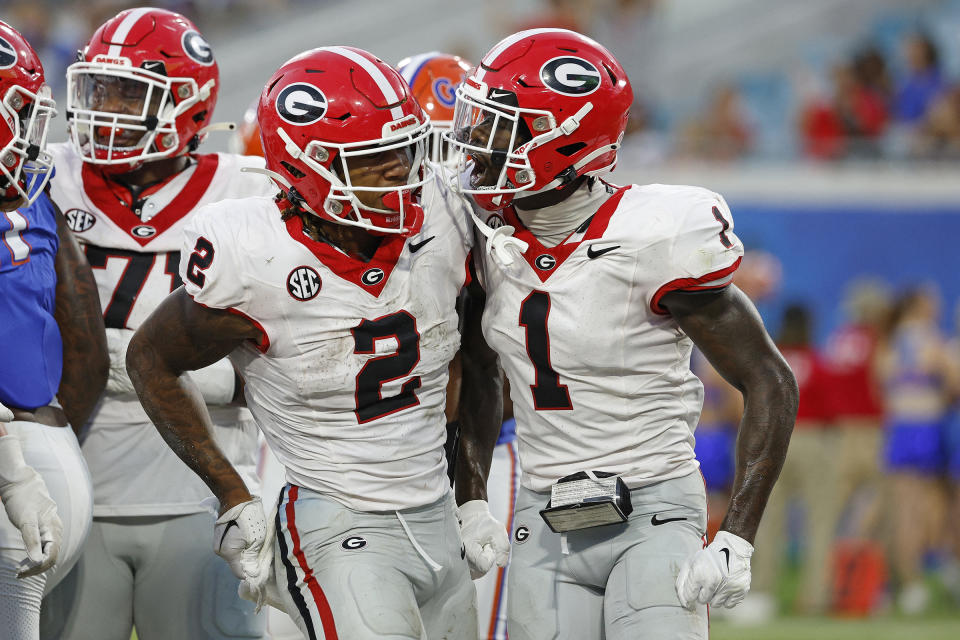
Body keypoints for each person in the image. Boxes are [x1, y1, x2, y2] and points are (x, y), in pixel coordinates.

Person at [126, 46, 506, 640]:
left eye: (405, 154)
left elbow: (482, 360)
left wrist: (473, 494)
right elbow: (149, 358)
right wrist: (232, 493)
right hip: (337, 518)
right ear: (309, 169)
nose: (403, 177)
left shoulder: (445, 213)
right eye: (374, 162)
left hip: (436, 512)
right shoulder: (254, 255)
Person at [446, 28, 798, 639]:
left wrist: (737, 535)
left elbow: (770, 380)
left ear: (565, 142)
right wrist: (473, 495)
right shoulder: (485, 238)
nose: (479, 141)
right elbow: (481, 371)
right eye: (480, 120)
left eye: (501, 126)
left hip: (652, 509)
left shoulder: (655, 234)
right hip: (542, 513)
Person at [39, 9, 275, 640]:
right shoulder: (43, 175)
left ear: (190, 107)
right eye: (96, 90)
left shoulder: (248, 192)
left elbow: (298, 347)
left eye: (125, 95)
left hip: (204, 490)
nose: (102, 111)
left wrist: (170, 371)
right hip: (70, 488)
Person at [0, 19, 108, 638]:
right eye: (15, 111)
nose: (27, 131)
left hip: (29, 463)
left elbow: (82, 331)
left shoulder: (32, 187)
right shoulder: (30, 189)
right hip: (31, 457)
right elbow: (85, 336)